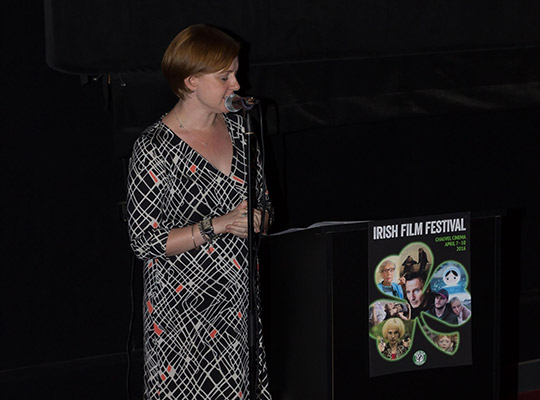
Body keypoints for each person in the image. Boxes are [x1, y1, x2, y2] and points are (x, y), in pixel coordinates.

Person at [126, 24, 273, 399]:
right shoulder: (155, 148)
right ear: (191, 81)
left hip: (238, 308)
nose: (236, 85)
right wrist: (218, 225)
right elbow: (145, 242)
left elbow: (267, 208)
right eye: (224, 77)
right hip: (182, 320)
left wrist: (259, 220)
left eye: (235, 73)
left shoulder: (243, 130)